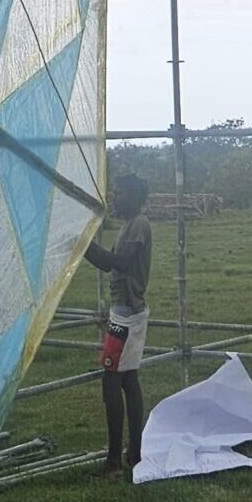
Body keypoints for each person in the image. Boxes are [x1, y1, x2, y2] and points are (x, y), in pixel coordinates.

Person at [82, 172, 152, 477]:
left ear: (135, 197)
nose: (114, 198)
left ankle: (115, 461)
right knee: (127, 380)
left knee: (112, 380)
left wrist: (82, 243)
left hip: (127, 315)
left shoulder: (138, 225)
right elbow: (109, 262)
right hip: (124, 312)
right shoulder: (130, 225)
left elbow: (119, 262)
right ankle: (133, 453)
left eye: (120, 194)